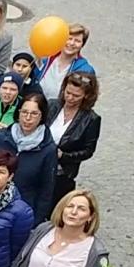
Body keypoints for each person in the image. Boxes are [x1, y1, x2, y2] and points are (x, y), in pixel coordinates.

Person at [0, 94, 58, 221]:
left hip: (20, 210)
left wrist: (35, 221)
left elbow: (46, 190)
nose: (28, 118)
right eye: (24, 112)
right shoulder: (2, 137)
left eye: (34, 114)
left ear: (42, 116)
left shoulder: (48, 149)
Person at [47, 71, 101, 199]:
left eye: (76, 96)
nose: (70, 98)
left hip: (62, 173)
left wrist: (64, 156)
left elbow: (88, 151)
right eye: (68, 93)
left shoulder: (91, 119)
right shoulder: (51, 105)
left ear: (86, 96)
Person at [36, 24, 95, 99]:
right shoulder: (45, 59)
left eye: (77, 41)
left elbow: (88, 97)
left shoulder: (85, 70)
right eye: (69, 38)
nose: (71, 43)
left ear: (82, 45)